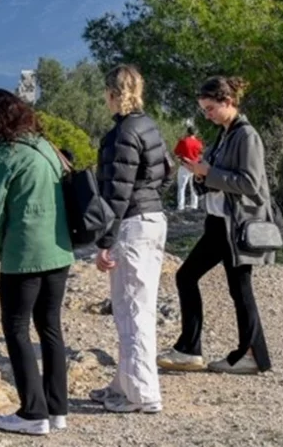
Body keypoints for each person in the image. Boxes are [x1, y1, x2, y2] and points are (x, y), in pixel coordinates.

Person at [157, 76, 275, 375]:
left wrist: (208, 172)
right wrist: (199, 174)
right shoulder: (225, 134)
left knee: (228, 285)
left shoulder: (246, 136)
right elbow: (215, 178)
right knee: (227, 285)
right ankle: (242, 354)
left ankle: (195, 350)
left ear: (227, 101)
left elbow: (251, 184)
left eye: (210, 108)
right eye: (204, 110)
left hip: (233, 225)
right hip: (218, 222)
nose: (207, 115)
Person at [0, 89, 75, 436]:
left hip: (23, 254)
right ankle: (57, 408)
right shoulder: (46, 147)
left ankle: (33, 413)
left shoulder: (1, 156)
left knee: (17, 329)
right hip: (59, 250)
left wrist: (0, 250)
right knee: (50, 327)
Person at [91, 65, 170, 414]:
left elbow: (117, 193)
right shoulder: (149, 125)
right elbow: (167, 170)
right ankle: (124, 383)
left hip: (132, 224)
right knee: (138, 304)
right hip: (153, 218)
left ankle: (142, 393)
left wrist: (105, 241)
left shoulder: (120, 135)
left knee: (132, 309)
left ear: (113, 93)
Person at [174, 126, 204, 211]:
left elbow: (176, 152)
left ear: (188, 132)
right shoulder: (199, 143)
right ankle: (194, 206)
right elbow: (201, 155)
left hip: (184, 166)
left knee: (181, 187)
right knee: (194, 187)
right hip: (195, 167)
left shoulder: (183, 141)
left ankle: (180, 206)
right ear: (195, 133)